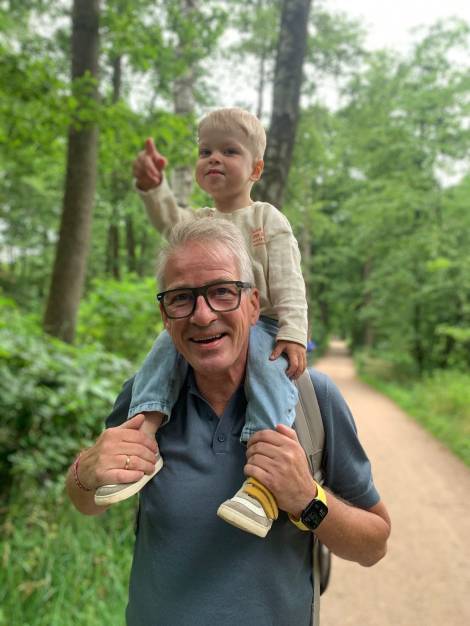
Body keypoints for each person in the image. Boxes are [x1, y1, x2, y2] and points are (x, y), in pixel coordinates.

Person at [66, 218, 390, 626]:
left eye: (222, 292)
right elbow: (86, 503)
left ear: (253, 305)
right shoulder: (144, 400)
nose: (202, 316)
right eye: (181, 298)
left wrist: (307, 499)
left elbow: (373, 544)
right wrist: (85, 472)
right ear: (165, 315)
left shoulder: (312, 397)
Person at [94, 107, 308, 540]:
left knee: (267, 370)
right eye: (206, 151)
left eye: (229, 151)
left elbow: (289, 279)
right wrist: (152, 187)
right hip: (209, 323)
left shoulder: (267, 219)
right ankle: (144, 433)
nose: (214, 159)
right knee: (163, 349)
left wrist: (292, 332)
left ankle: (263, 482)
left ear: (255, 169)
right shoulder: (199, 221)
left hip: (263, 323)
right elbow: (167, 220)